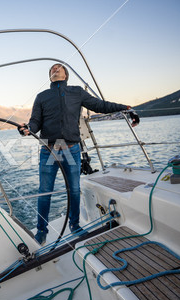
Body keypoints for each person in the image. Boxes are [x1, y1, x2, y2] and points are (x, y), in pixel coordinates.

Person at [19, 63, 139, 245]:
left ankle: (74, 225)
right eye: (52, 68)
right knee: (44, 192)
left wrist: (125, 108)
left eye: (59, 67)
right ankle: (41, 231)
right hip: (49, 150)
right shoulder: (42, 96)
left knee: (74, 190)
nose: (55, 69)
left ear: (65, 75)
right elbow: (35, 123)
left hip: (71, 149)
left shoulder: (77, 92)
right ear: (49, 76)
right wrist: (27, 129)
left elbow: (101, 105)